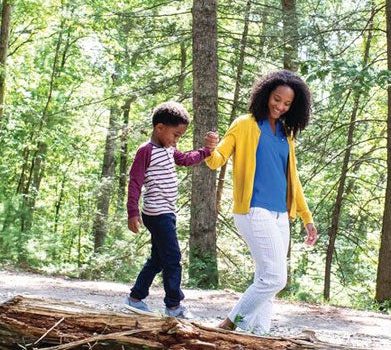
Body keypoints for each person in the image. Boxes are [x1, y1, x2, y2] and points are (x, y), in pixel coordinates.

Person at [205, 69, 318, 334]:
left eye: (287, 103)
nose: (280, 106)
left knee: (265, 277)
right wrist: (210, 147)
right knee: (276, 278)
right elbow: (216, 160)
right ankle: (231, 322)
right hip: (253, 210)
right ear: (266, 94)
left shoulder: (286, 135)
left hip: (281, 216)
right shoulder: (245, 124)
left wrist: (307, 218)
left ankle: (259, 335)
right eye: (277, 99)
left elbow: (293, 181)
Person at [125, 102, 219, 319]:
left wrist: (206, 151)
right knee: (173, 258)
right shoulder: (145, 151)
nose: (176, 140)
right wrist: (132, 212)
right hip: (157, 214)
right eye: (175, 135)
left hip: (167, 212)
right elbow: (135, 182)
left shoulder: (168, 149)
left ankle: (135, 298)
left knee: (158, 259)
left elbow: (185, 160)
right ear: (159, 128)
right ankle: (174, 306)